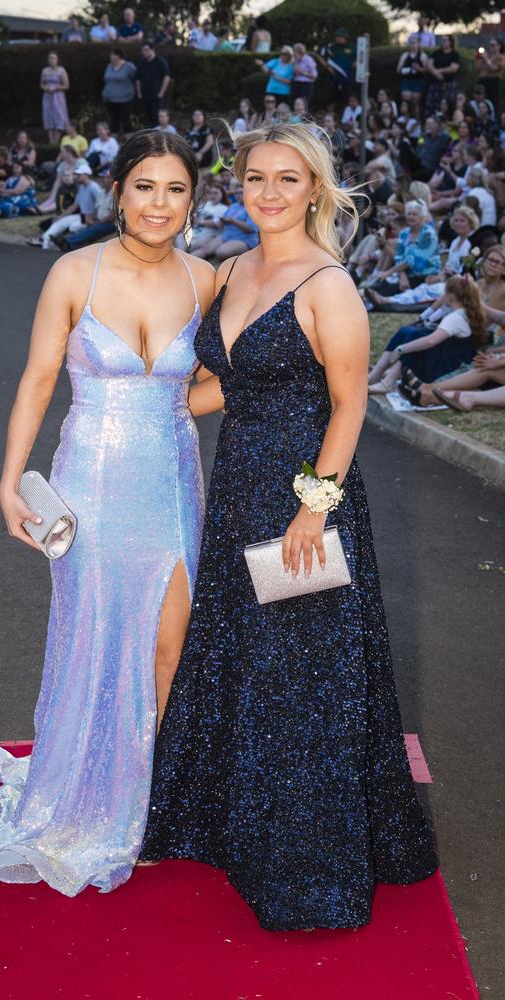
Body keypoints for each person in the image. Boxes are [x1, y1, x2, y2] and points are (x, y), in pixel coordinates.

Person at [139, 120, 439, 929]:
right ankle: (230, 832)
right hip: (236, 490)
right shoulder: (232, 268)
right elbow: (223, 387)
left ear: (315, 189)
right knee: (243, 661)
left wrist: (314, 507)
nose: (268, 193)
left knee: (304, 680)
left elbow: (350, 406)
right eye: (255, 178)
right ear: (238, 185)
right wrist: (132, 407)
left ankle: (308, 869)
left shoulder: (327, 283)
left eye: (287, 179)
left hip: (305, 500)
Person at [0, 129, 214, 896]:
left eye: (175, 190)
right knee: (96, 633)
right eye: (145, 186)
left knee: (171, 641)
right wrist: (12, 481)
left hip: (173, 481)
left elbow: (215, 385)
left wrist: (175, 411)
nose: (159, 204)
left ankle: (149, 806)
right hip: (90, 485)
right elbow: (40, 379)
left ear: (191, 202)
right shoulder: (74, 271)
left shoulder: (207, 279)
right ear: (119, 192)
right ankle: (85, 796)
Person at [368, 274, 485, 392]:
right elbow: (432, 316)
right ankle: (375, 375)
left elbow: (430, 341)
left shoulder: (455, 318)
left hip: (447, 367)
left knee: (416, 337)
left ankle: (389, 382)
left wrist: (400, 349)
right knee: (406, 331)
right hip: (446, 358)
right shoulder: (461, 311)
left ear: (449, 296)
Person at [30, 161, 103, 249]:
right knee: (61, 221)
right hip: (82, 216)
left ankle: (62, 243)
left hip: (90, 218)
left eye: (79, 174)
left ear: (87, 175)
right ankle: (44, 239)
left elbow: (100, 204)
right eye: (77, 174)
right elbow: (74, 205)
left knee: (73, 227)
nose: (77, 177)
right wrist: (61, 216)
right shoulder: (82, 187)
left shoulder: (94, 188)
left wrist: (92, 217)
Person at [102, 47, 137, 136]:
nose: (110, 57)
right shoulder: (109, 66)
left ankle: (131, 144)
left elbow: (136, 79)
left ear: (118, 56)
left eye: (112, 55)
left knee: (126, 121)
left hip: (124, 99)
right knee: (113, 121)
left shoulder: (129, 66)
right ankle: (113, 144)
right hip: (110, 99)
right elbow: (106, 79)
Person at [136, 41, 171, 128]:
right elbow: (138, 79)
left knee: (157, 119)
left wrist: (161, 93)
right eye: (143, 50)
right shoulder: (141, 63)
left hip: (156, 97)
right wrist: (139, 93)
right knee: (147, 120)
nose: (144, 52)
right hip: (145, 96)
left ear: (152, 50)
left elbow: (167, 77)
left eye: (146, 50)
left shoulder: (160, 62)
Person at [318, 27, 355, 109]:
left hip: (347, 79)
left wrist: (354, 64)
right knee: (331, 100)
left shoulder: (352, 47)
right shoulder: (330, 47)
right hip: (333, 79)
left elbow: (359, 58)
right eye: (336, 36)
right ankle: (330, 116)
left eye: (340, 36)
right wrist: (327, 66)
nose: (337, 38)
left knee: (347, 100)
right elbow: (320, 57)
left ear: (345, 37)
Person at [425, 36, 460, 119]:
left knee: (447, 104)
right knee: (432, 105)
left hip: (449, 84)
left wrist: (440, 71)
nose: (442, 42)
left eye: (445, 40)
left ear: (450, 42)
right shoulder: (437, 53)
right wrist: (435, 73)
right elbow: (429, 64)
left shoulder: (454, 54)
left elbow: (454, 68)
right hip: (436, 83)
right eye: (442, 40)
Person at [40, 51, 70, 145]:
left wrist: (56, 88)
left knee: (58, 117)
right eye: (50, 58)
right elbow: (41, 84)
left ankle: (56, 142)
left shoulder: (61, 70)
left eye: (53, 58)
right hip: (47, 97)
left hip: (58, 97)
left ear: (57, 60)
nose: (51, 60)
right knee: (49, 117)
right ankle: (51, 142)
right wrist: (46, 88)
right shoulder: (45, 70)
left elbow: (66, 86)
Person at [396, 37, 428, 116]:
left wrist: (418, 68)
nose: (412, 45)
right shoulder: (405, 55)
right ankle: (405, 117)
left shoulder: (422, 56)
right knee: (406, 99)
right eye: (411, 43)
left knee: (415, 100)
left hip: (417, 80)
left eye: (414, 43)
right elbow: (398, 69)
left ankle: (416, 118)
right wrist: (405, 70)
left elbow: (427, 70)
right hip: (407, 80)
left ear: (418, 44)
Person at [477, 39, 505, 117]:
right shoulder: (487, 55)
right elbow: (479, 69)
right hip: (482, 81)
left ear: (499, 46)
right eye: (490, 45)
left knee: (493, 103)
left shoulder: (501, 57)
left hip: (493, 82)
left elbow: (494, 68)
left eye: (493, 45)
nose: (491, 47)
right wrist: (479, 58)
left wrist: (486, 59)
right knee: (480, 102)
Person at [292, 43, 318, 108]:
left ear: (300, 52)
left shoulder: (309, 60)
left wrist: (302, 72)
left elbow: (314, 76)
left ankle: (306, 118)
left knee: (305, 104)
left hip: (306, 85)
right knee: (296, 103)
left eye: (294, 52)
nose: (293, 54)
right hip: (297, 83)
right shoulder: (295, 60)